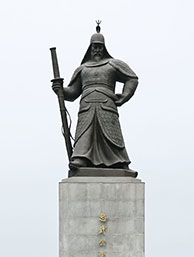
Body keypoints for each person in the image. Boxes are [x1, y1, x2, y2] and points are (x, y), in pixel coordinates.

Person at [51, 27, 139, 171]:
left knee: (111, 134)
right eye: (94, 47)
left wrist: (124, 96)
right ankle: (80, 158)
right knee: (85, 132)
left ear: (104, 48)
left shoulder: (113, 64)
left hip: (107, 105)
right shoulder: (83, 68)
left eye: (100, 47)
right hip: (86, 105)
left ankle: (119, 161)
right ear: (90, 48)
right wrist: (60, 90)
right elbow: (72, 92)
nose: (97, 50)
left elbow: (132, 78)